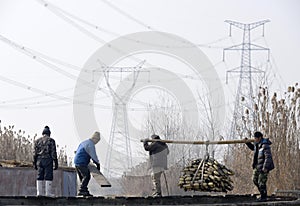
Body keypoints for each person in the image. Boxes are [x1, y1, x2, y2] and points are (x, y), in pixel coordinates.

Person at [245, 131, 275, 201]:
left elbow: (268, 157)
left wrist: (265, 167)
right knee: (254, 179)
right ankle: (262, 194)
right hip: (257, 166)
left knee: (261, 182)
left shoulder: (265, 145)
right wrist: (247, 143)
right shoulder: (256, 144)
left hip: (264, 167)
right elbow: (253, 148)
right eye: (254, 138)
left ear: (260, 138)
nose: (255, 139)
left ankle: (264, 197)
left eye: (256, 138)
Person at [33, 126, 58, 197]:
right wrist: (56, 163)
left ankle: (39, 193)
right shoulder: (51, 141)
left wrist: (34, 163)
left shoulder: (37, 141)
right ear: (49, 133)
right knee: (48, 176)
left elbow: (34, 153)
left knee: (39, 176)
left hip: (39, 160)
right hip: (48, 160)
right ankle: (48, 193)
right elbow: (54, 153)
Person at [74, 131, 101, 197]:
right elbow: (93, 155)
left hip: (76, 161)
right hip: (81, 162)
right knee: (87, 176)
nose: (96, 143)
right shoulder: (91, 144)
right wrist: (97, 164)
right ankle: (82, 190)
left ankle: (84, 190)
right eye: (97, 141)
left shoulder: (84, 142)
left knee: (83, 178)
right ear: (95, 139)